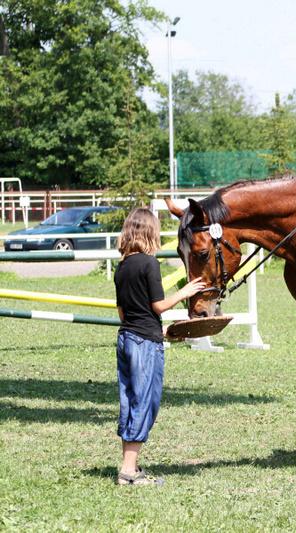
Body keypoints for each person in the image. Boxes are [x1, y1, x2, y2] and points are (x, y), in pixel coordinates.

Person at [114, 208, 205, 485]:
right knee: (145, 403)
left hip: (126, 339)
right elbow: (158, 305)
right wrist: (185, 292)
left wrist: (161, 331)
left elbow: (124, 313)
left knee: (131, 401)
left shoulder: (121, 267)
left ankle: (130, 465)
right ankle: (128, 472)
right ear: (150, 232)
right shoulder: (149, 264)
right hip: (144, 345)